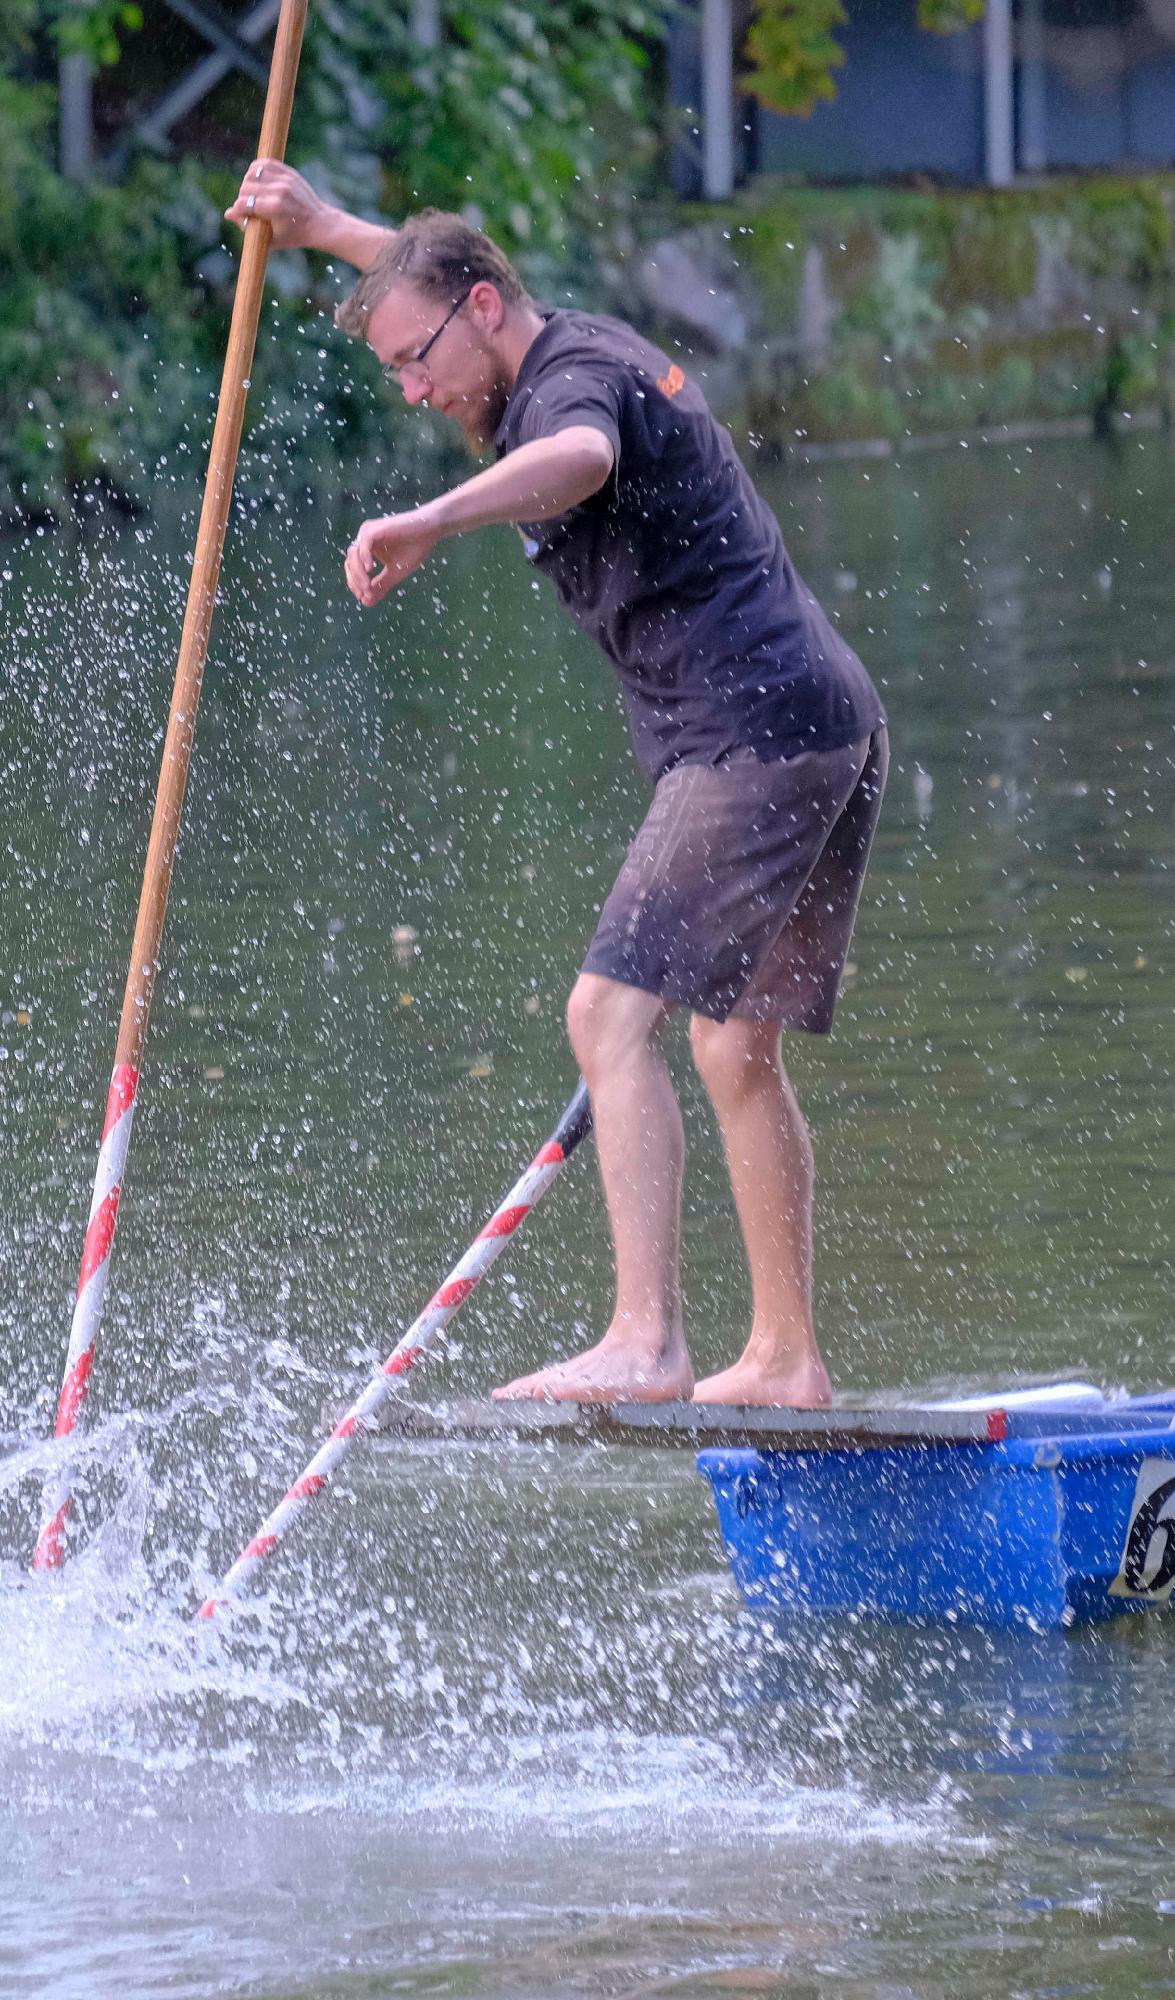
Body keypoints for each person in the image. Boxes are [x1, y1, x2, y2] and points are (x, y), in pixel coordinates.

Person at [227, 164, 886, 1410]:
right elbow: (436, 276)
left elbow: (579, 458)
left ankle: (647, 1338)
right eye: (396, 375)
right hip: (825, 716)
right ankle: (788, 1359)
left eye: (419, 363)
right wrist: (323, 231)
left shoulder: (569, 392)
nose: (416, 391)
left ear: (484, 311)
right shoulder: (536, 329)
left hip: (752, 731)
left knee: (608, 1017)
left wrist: (433, 517)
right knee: (734, 1045)